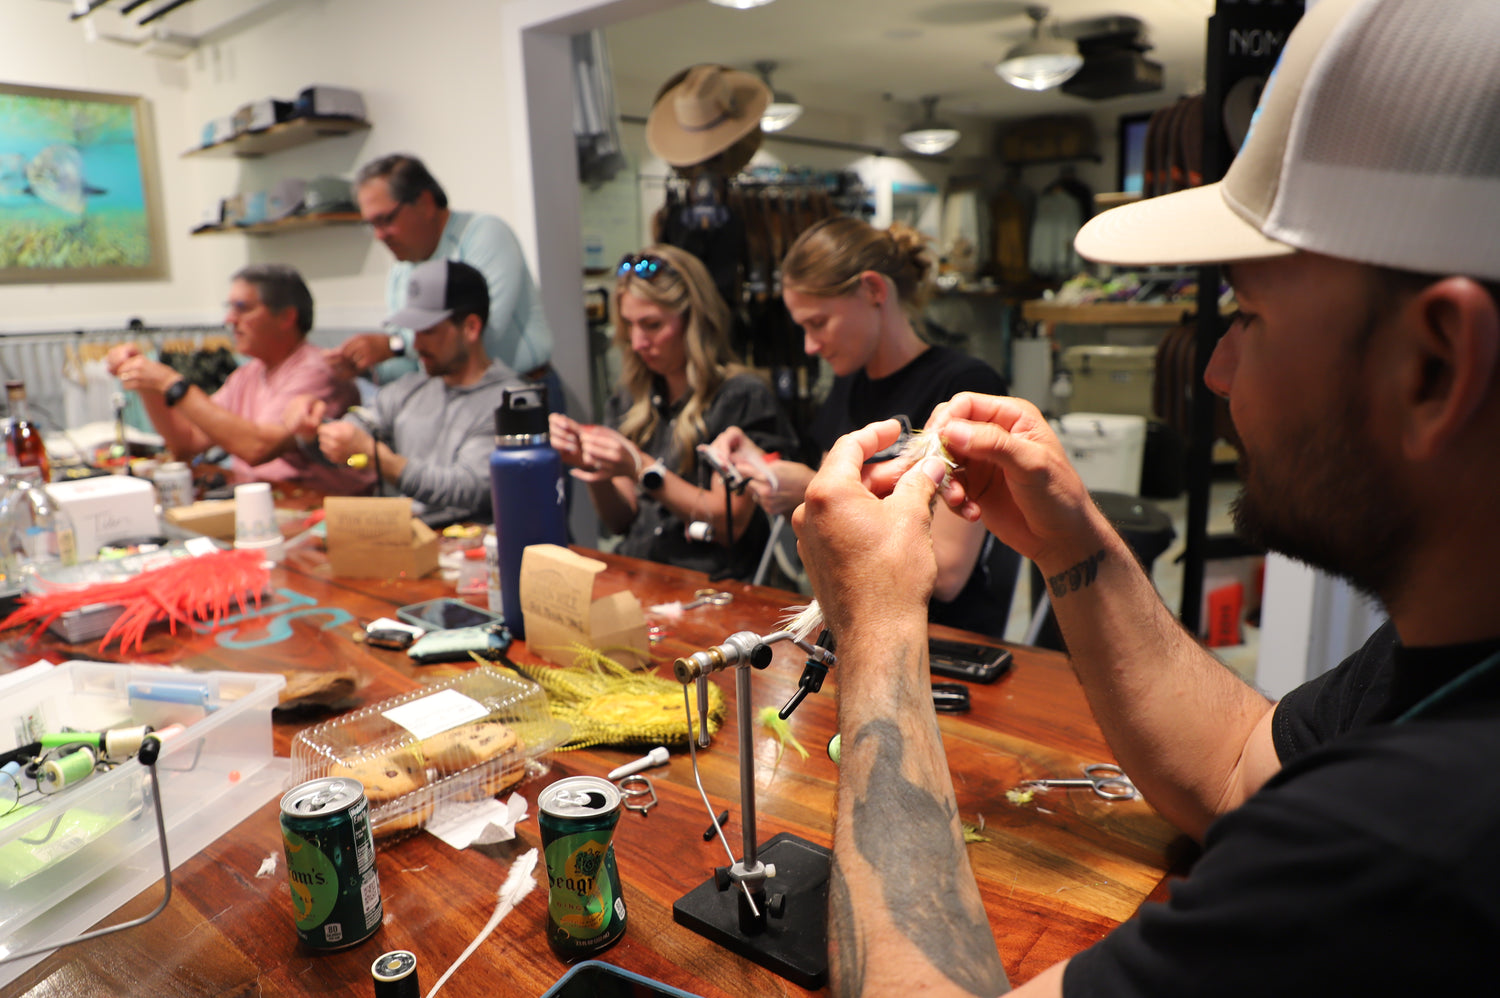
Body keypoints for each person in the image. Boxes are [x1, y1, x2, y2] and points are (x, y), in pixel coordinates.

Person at [794, 0, 1500, 995]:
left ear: (1434, 365)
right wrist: (1070, 540)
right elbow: (1238, 766)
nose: (1215, 371)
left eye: (1249, 315)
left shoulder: (1415, 842)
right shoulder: (1456, 660)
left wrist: (873, 629)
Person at [708, 217, 1011, 634]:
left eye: (818, 323)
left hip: (939, 640)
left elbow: (947, 573)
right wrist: (761, 465)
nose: (810, 347)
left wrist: (813, 489)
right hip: (854, 628)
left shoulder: (964, 388)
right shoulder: (848, 385)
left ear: (873, 290)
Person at [549, 245, 794, 580]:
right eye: (630, 325)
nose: (637, 342)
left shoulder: (741, 397)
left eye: (651, 325)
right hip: (643, 575)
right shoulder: (630, 398)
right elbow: (620, 520)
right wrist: (593, 464)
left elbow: (729, 523)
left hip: (716, 588)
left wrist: (643, 467)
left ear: (694, 320)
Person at [285, 259, 525, 527]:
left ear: (470, 327)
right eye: (414, 331)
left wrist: (379, 459)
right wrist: (314, 432)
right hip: (407, 540)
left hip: (475, 549)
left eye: (429, 331)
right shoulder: (410, 387)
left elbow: (467, 490)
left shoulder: (511, 403)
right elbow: (354, 443)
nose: (417, 343)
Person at [107, 264, 366, 495]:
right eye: (229, 308)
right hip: (262, 498)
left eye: (242, 308)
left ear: (287, 317)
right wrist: (147, 384)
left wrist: (172, 384)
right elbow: (187, 442)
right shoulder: (249, 373)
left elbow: (256, 448)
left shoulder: (316, 369)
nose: (229, 320)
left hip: (317, 507)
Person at [335, 154, 554, 392]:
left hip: (520, 391)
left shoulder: (484, 234)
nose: (379, 236)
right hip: (451, 396)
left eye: (385, 220)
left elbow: (479, 333)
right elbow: (418, 364)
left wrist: (393, 346)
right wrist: (367, 367)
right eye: (371, 225)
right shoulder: (401, 269)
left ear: (425, 204)